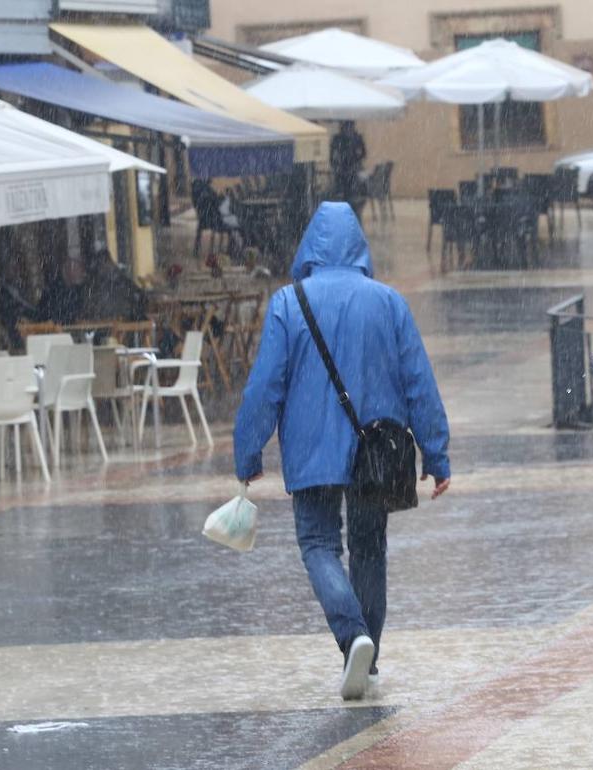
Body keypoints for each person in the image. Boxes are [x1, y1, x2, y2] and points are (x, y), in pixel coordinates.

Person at [234, 202, 450, 701]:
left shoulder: (289, 303)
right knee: (370, 549)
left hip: (311, 453)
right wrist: (437, 455)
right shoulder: (388, 301)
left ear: (310, 247)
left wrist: (248, 454)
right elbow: (418, 381)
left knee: (318, 545)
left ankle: (352, 635)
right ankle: (367, 652)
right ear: (358, 247)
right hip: (377, 453)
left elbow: (265, 386)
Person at [330, 121, 368, 204]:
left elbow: (363, 154)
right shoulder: (337, 139)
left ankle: (352, 201)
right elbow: (332, 157)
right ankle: (348, 201)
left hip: (353, 171)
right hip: (342, 171)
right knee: (344, 188)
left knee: (354, 188)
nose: (348, 129)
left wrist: (356, 155)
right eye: (346, 127)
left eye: (350, 126)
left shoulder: (357, 137)